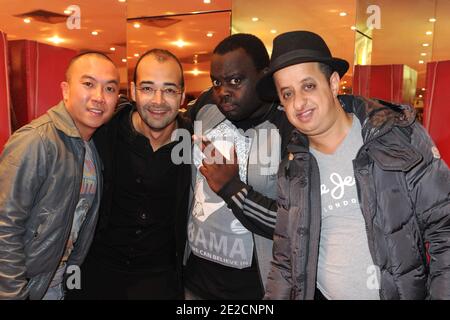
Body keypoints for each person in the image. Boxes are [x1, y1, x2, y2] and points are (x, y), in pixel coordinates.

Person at [256, 30, 450, 300]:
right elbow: (285, 261)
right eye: (287, 94)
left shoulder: (395, 136)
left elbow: (445, 229)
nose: (299, 102)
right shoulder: (292, 167)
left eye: (308, 86)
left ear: (333, 84)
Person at [66, 49, 191, 300]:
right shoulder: (103, 133)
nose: (158, 100)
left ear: (182, 96)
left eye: (169, 90)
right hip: (96, 274)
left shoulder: (195, 142)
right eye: (147, 88)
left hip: (161, 279)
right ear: (133, 92)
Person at [0, 52, 120, 300]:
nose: (99, 97)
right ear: (65, 90)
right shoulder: (36, 141)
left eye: (109, 88)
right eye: (88, 84)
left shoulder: (91, 146)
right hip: (26, 288)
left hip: (57, 284)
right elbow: (4, 226)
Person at [183, 34, 293, 299]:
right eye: (217, 82)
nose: (223, 92)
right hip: (196, 279)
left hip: (254, 288)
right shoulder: (205, 107)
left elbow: (293, 223)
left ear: (265, 76)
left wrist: (231, 187)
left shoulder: (289, 129)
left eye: (235, 80)